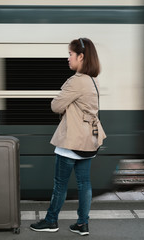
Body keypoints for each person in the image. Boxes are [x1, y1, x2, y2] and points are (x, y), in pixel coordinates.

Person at [30, 38, 106, 236]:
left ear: (81, 56)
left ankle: (51, 220)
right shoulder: (93, 80)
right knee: (84, 183)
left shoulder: (76, 81)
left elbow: (55, 106)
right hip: (89, 140)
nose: (68, 58)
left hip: (72, 141)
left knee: (60, 184)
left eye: (70, 54)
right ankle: (83, 224)